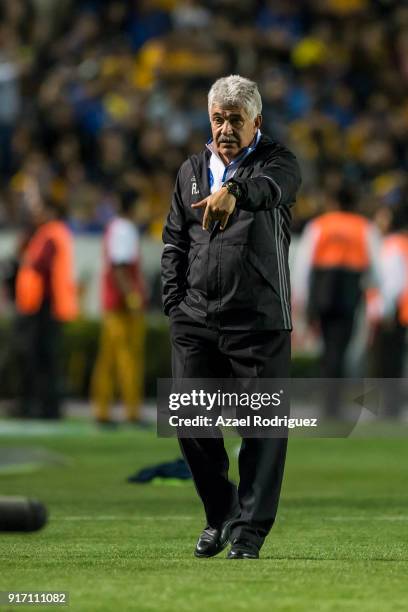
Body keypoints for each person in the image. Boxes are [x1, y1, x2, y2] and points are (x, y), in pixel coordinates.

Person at [161, 75, 301, 559]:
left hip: (258, 320)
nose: (224, 128)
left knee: (261, 432)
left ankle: (248, 534)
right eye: (217, 118)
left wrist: (235, 192)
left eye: (235, 120)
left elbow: (270, 189)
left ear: (256, 122)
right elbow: (174, 239)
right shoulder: (191, 170)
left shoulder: (277, 163)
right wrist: (175, 305)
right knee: (191, 423)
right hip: (196, 319)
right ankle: (219, 514)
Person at [293, 186, 381, 415]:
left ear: (333, 202)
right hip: (350, 292)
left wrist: (302, 300)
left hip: (322, 291)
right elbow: (375, 269)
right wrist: (373, 294)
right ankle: (333, 403)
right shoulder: (364, 227)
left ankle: (327, 402)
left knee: (328, 346)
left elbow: (303, 266)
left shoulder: (319, 225)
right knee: (340, 347)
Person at [15, 180, 78, 419]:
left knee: (41, 359)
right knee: (45, 358)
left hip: (45, 306)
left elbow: (39, 265)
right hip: (47, 305)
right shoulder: (54, 233)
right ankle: (46, 406)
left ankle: (44, 407)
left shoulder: (50, 234)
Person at [91, 190, 147, 425]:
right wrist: (132, 296)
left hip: (114, 304)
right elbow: (120, 267)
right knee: (127, 358)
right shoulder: (124, 228)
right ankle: (131, 411)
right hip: (121, 306)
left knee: (110, 359)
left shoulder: (117, 227)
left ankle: (103, 410)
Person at [369, 203, 408, 416]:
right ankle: (391, 407)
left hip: (392, 313)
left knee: (387, 362)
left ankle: (388, 408)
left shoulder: (390, 245)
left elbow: (393, 283)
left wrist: (385, 311)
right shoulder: (401, 243)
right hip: (400, 311)